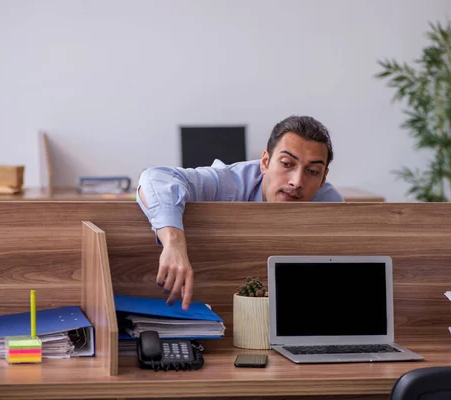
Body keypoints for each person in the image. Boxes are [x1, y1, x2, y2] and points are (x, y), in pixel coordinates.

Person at [136, 115, 343, 310]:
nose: (297, 182)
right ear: (265, 162)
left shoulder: (332, 205)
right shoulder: (228, 184)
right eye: (287, 164)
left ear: (323, 178)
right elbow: (156, 178)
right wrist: (174, 243)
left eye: (312, 172)